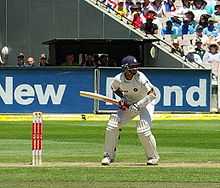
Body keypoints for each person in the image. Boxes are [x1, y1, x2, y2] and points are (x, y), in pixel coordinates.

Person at [101, 55, 159, 166]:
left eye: (136, 66)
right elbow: (115, 89)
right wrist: (123, 99)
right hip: (130, 103)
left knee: (143, 129)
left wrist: (139, 105)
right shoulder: (118, 79)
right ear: (125, 68)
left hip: (146, 103)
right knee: (112, 124)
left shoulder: (140, 77)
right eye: (132, 67)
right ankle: (108, 156)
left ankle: (153, 157)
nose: (135, 69)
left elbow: (153, 94)